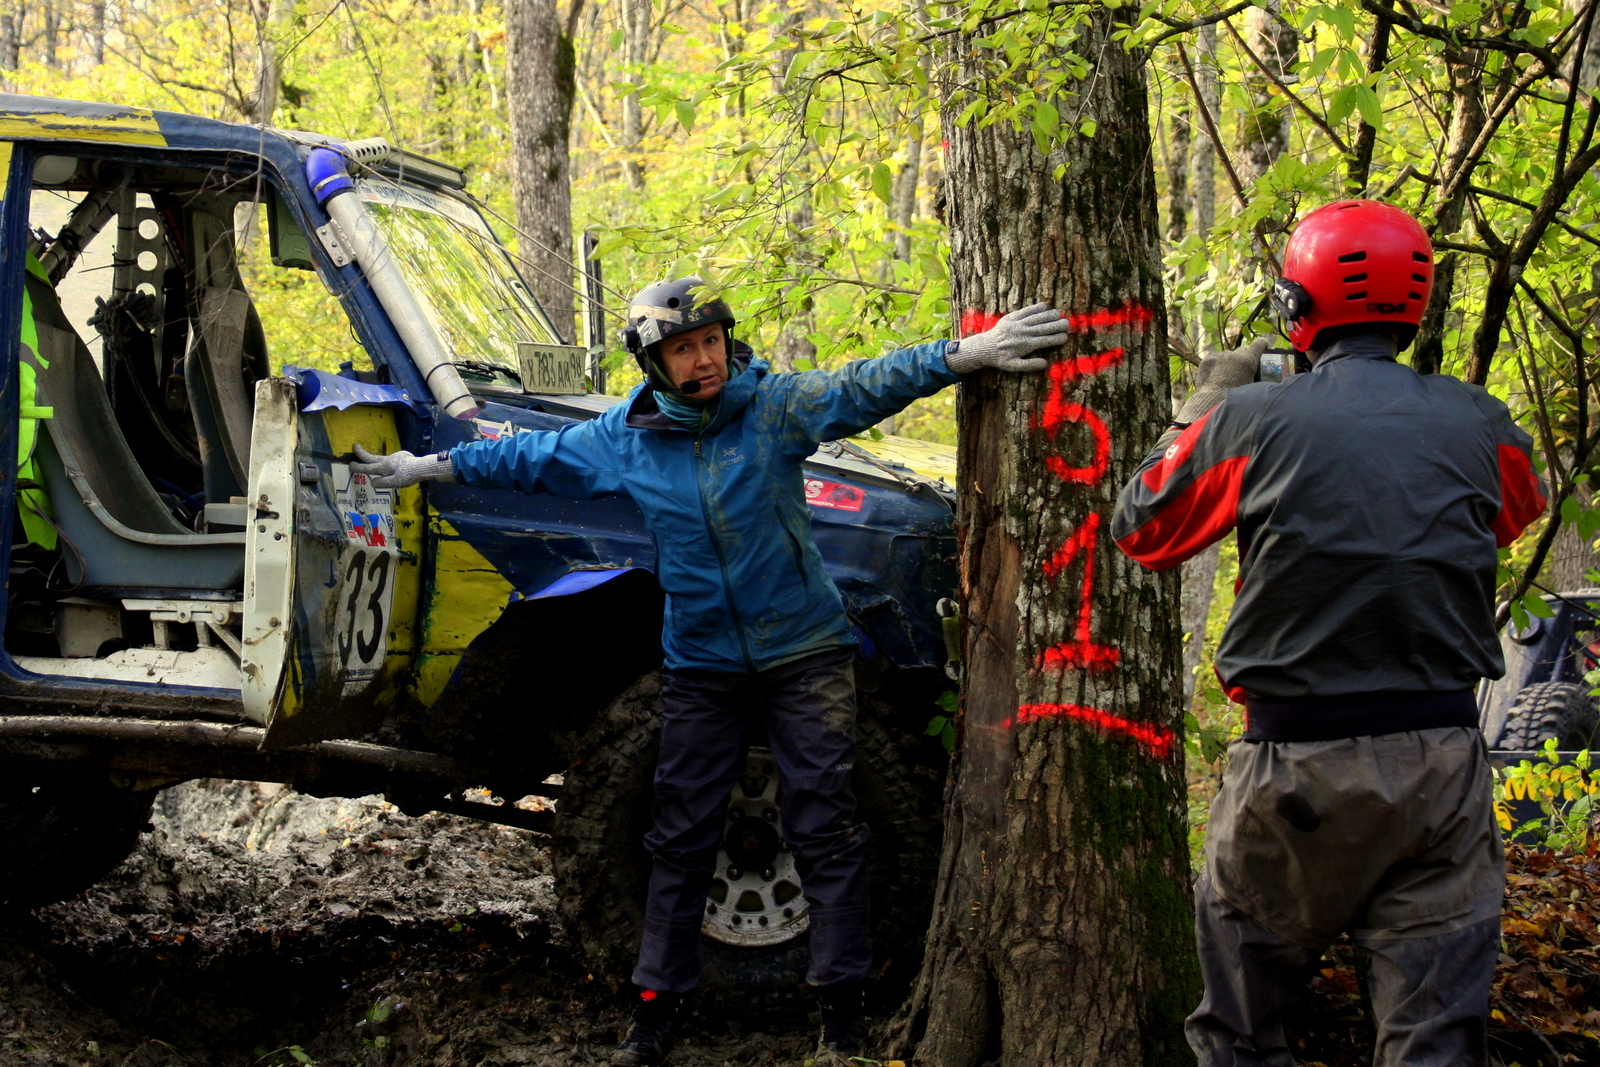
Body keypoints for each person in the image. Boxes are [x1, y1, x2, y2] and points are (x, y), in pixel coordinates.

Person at [352, 278, 1074, 1065]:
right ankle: (653, 1018)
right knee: (679, 837)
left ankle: (844, 1018)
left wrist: (970, 352)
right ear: (654, 363)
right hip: (701, 666)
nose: (703, 359)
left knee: (827, 828)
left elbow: (869, 383)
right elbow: (527, 457)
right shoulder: (623, 440)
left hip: (805, 653)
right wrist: (425, 467)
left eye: (711, 341)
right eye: (683, 349)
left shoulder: (772, 409)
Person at [1110, 200, 1547, 1067]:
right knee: (1433, 1044)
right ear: (1413, 306)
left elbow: (1143, 526)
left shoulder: (1252, 419)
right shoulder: (1480, 420)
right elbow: (1514, 511)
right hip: (1441, 772)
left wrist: (1213, 399)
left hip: (1296, 769)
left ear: (1296, 307)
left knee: (1240, 1032)